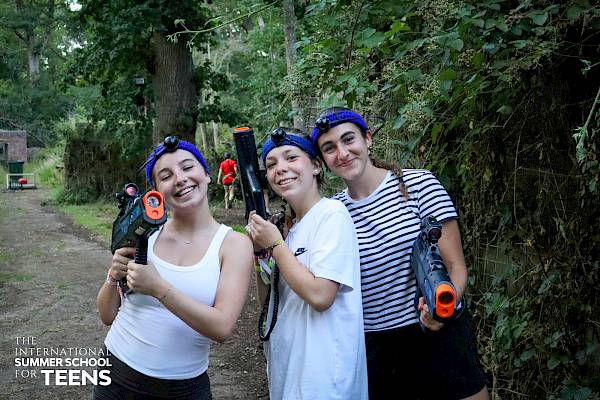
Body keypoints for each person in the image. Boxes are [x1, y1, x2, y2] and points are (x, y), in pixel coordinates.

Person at [311, 108, 489, 400]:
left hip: (438, 332)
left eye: (349, 139)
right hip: (377, 350)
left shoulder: (420, 185)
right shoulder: (332, 213)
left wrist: (440, 310)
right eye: (329, 148)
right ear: (322, 161)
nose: (342, 153)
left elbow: (456, 267)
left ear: (368, 139)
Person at [94, 136, 253, 400]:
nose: (180, 179)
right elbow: (107, 315)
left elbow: (222, 327)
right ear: (157, 190)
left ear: (206, 174)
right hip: (116, 376)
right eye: (166, 176)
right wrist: (113, 275)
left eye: (188, 167)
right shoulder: (145, 233)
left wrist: (158, 288)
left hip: (184, 388)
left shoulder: (234, 244)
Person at [245, 127, 368, 400]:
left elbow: (321, 295)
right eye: (271, 164)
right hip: (288, 370)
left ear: (315, 166)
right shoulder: (284, 229)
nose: (281, 168)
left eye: (291, 157)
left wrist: (275, 245)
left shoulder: (331, 214)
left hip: (325, 379)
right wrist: (260, 253)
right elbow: (268, 304)